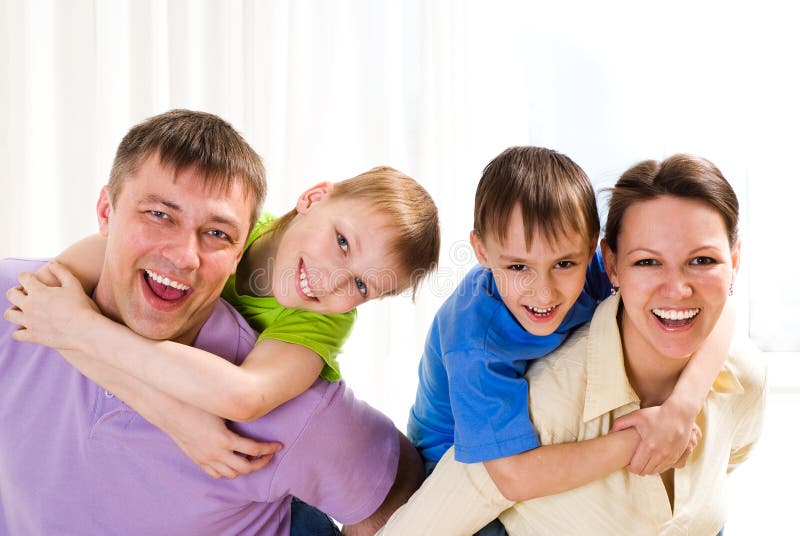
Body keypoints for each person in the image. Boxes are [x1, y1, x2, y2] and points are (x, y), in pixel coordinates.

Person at [1, 109, 424, 535]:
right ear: (107, 211)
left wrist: (78, 330)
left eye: (362, 286)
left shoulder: (308, 345)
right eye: (159, 214)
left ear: (237, 249)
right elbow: (63, 283)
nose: (332, 280)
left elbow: (245, 399)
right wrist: (177, 416)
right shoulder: (31, 299)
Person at [381, 154, 765, 535]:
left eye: (564, 264)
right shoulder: (476, 346)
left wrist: (681, 409)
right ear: (482, 252)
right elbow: (509, 476)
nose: (544, 291)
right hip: (445, 452)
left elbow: (716, 308)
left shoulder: (602, 270)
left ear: (593, 251)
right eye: (518, 267)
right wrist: (642, 440)